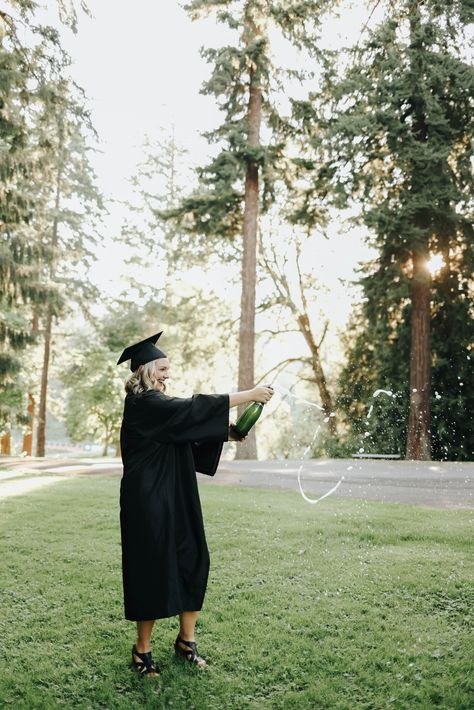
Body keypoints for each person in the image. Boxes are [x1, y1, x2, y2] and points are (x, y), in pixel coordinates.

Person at [117, 331, 274, 677]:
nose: (167, 374)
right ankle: (142, 650)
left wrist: (228, 432)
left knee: (193, 558)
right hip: (149, 501)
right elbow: (190, 410)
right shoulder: (144, 404)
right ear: (143, 370)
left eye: (168, 369)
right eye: (162, 368)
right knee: (152, 569)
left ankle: (186, 641)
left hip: (178, 493)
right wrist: (249, 395)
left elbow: (184, 429)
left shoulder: (158, 406)